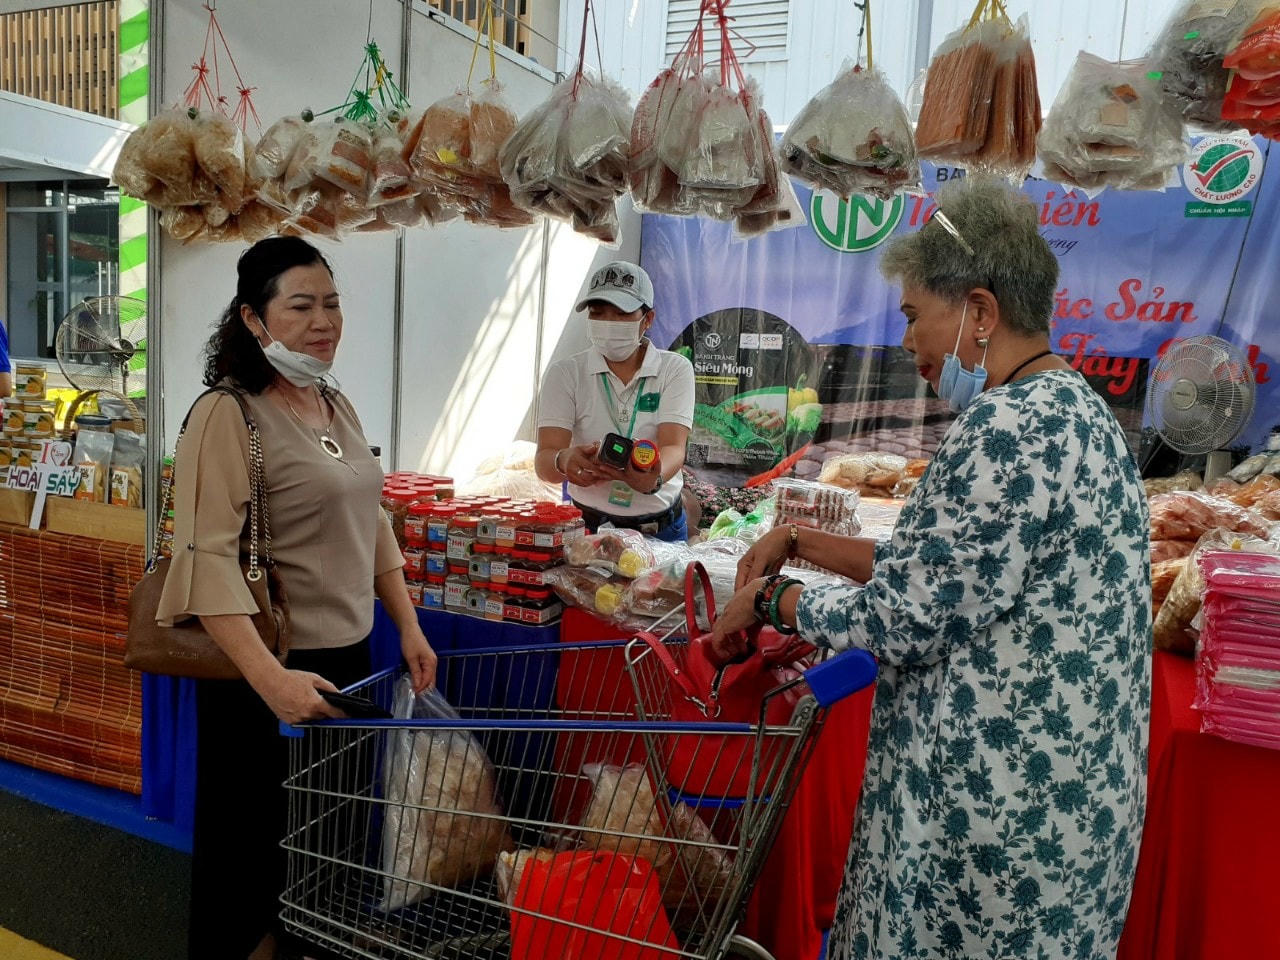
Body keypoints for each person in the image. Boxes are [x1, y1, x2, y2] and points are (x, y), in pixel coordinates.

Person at [712, 178, 1150, 960]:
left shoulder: (1007, 427)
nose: (910, 345)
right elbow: (962, 576)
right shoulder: (1076, 410)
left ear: (980, 313)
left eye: (916, 317)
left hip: (994, 814)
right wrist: (804, 542)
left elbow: (908, 617)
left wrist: (774, 603)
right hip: (1061, 810)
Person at [155, 237, 437, 960]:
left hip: (344, 660)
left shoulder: (330, 400)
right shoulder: (228, 413)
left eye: (333, 304)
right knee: (251, 858)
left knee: (320, 856)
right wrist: (271, 681)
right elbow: (205, 560)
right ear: (254, 319)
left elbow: (369, 517)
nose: (324, 322)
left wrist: (406, 623)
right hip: (264, 669)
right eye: (301, 306)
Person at [535, 260, 695, 541]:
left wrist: (652, 479)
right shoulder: (566, 373)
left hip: (658, 532)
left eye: (621, 313)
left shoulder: (674, 369)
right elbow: (545, 458)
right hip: (587, 530)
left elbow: (673, 446)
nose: (608, 323)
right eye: (598, 313)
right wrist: (563, 460)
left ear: (648, 319)